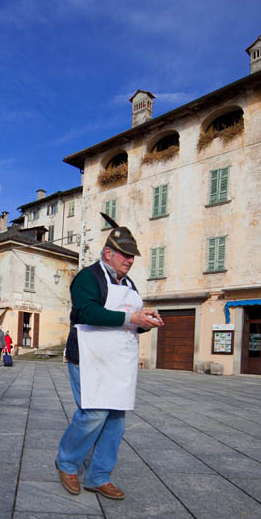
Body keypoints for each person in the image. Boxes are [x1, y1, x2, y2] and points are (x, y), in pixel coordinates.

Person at [55, 213, 163, 500]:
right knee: (93, 414)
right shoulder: (87, 278)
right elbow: (86, 312)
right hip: (89, 358)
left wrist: (144, 322)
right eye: (125, 255)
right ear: (107, 253)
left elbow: (129, 321)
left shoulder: (129, 285)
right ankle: (67, 463)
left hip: (118, 362)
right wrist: (131, 317)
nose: (130, 260)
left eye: (132, 256)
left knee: (116, 420)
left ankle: (98, 476)